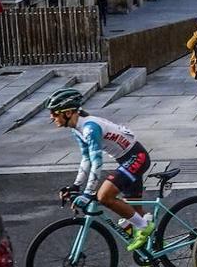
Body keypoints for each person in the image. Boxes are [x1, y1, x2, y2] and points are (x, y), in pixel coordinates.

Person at [47, 88, 154, 253]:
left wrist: (89, 193)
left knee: (104, 196)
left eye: (54, 113)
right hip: (126, 159)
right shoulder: (77, 129)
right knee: (134, 213)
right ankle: (153, 250)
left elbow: (97, 162)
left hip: (136, 157)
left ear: (68, 112)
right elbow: (86, 159)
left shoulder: (90, 128)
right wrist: (76, 186)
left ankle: (144, 226)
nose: (51, 117)